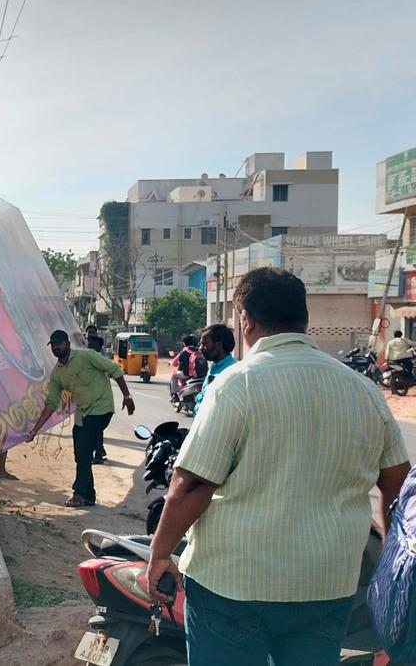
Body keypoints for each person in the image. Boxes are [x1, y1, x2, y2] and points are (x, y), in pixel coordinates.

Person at [146, 268, 411, 666]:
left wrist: (160, 554)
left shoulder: (237, 385)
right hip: (328, 583)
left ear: (246, 320)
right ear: (303, 319)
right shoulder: (363, 390)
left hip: (232, 585)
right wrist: (391, 558)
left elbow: (193, 484)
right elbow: (397, 483)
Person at [28, 330, 134, 507]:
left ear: (67, 344)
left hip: (101, 408)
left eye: (59, 343)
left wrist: (127, 396)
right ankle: (89, 496)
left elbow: (114, 369)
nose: (56, 347)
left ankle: (78, 493)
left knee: (84, 451)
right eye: (53, 345)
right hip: (82, 414)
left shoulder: (87, 356)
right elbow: (51, 403)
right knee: (80, 455)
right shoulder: (57, 374)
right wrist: (34, 430)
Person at [194, 323, 235, 414]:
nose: (200, 348)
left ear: (219, 344)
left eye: (205, 344)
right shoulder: (214, 367)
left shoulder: (230, 371)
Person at [169, 334, 204, 402]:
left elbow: (175, 363)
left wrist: (172, 362)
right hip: (201, 376)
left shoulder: (184, 351)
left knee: (173, 376)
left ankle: (175, 396)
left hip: (188, 375)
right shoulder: (200, 351)